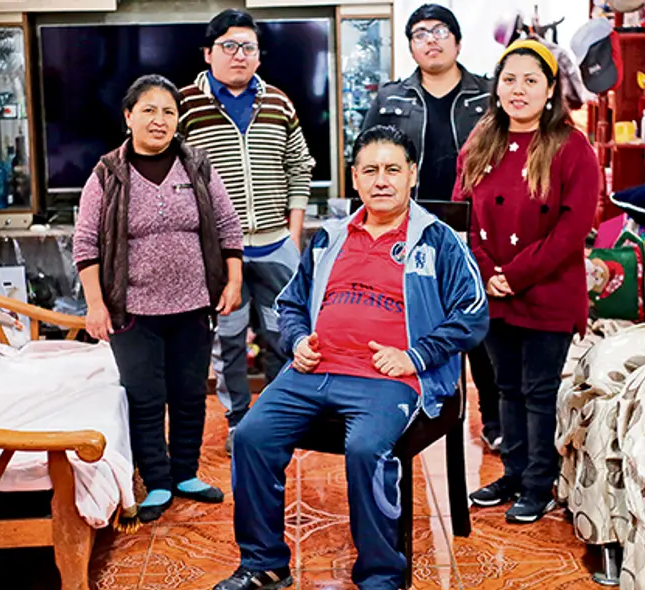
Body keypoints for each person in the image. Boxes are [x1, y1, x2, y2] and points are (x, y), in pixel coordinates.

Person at [213, 125, 488, 590]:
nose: (381, 180)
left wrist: (416, 356)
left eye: (392, 169)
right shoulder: (330, 237)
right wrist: (297, 341)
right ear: (355, 178)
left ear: (412, 174)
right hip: (314, 370)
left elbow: (473, 312)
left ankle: (381, 576)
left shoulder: (439, 241)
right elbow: (290, 303)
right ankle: (265, 563)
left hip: (388, 378)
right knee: (251, 436)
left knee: (366, 449)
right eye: (370, 170)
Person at [74, 74, 244, 523]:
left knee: (190, 395)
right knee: (145, 398)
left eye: (169, 111)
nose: (159, 120)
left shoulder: (197, 166)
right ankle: (157, 480)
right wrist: (95, 304)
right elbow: (86, 243)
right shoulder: (107, 174)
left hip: (194, 306)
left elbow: (228, 226)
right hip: (132, 311)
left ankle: (185, 473)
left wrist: (233, 281)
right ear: (128, 116)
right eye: (148, 110)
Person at [456, 39, 599, 523]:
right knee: (506, 388)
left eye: (531, 80)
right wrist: (484, 271)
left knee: (539, 392)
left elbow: (571, 229)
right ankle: (513, 474)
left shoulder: (572, 147)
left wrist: (513, 276)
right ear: (497, 87)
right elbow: (462, 217)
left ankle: (540, 484)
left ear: (550, 89)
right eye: (510, 79)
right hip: (491, 291)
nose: (518, 90)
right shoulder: (481, 141)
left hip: (547, 291)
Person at [361, 3, 502, 451]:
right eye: (420, 33)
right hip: (412, 228)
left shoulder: (489, 95)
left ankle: (494, 419)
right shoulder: (391, 99)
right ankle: (409, 410)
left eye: (440, 31)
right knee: (411, 320)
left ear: (457, 41)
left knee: (478, 325)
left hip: (477, 227)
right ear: (410, 47)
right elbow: (367, 158)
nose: (431, 40)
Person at [177, 9, 315, 455]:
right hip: (221, 254)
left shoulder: (279, 102)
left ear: (258, 55)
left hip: (277, 245)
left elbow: (299, 167)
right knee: (229, 342)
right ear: (208, 53)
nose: (240, 55)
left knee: (284, 336)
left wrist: (294, 234)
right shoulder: (183, 105)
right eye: (229, 46)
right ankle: (239, 422)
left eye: (248, 47)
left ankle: (277, 418)